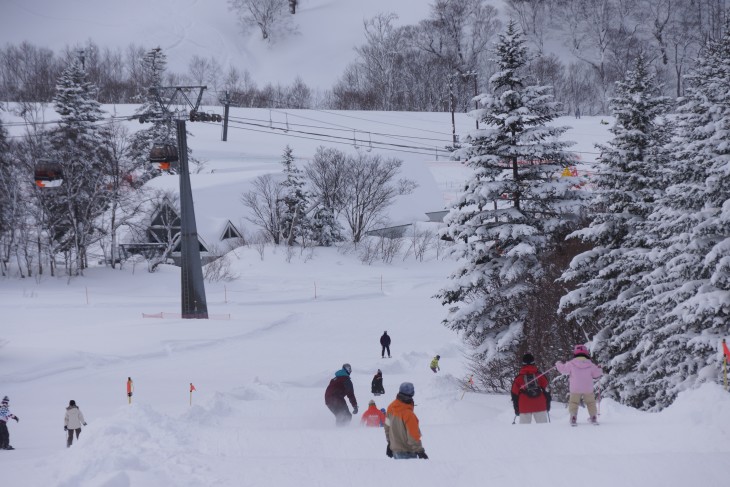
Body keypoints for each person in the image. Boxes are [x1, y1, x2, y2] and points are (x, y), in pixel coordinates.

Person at [556, 344, 603, 426]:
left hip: (575, 388)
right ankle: (593, 417)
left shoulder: (571, 363)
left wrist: (558, 363)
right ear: (586, 353)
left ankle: (573, 417)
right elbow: (597, 374)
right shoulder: (590, 365)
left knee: (574, 402)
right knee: (591, 402)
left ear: (575, 353)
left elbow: (563, 369)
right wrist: (599, 368)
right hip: (587, 388)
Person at [384, 382, 428, 460]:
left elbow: (387, 427)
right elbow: (413, 435)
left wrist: (390, 443)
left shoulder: (390, 407)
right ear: (412, 394)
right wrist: (420, 451)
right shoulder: (409, 414)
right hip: (407, 452)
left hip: (395, 451)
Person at [510, 353, 550, 424]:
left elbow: (514, 394)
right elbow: (547, 391)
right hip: (540, 405)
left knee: (524, 431)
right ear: (533, 363)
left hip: (524, 406)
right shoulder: (540, 376)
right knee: (543, 430)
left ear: (523, 364)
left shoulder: (519, 378)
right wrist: (547, 404)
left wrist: (516, 408)